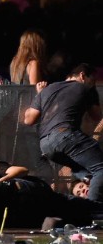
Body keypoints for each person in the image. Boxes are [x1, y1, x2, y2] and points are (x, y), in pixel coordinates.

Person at [23, 63, 103, 203]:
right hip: (66, 135)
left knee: (80, 167)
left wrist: (40, 95)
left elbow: (29, 119)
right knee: (101, 169)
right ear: (83, 76)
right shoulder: (84, 87)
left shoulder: (48, 90)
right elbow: (96, 116)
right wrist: (92, 89)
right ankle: (94, 211)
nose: (93, 83)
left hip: (46, 145)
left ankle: (89, 181)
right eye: (93, 80)